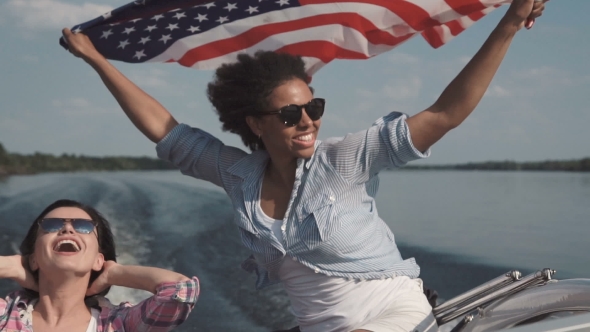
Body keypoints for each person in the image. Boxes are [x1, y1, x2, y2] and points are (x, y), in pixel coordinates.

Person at [61, 0, 545, 330]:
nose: (308, 121)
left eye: (314, 108)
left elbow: (444, 113)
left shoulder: (346, 160)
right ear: (255, 122)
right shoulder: (239, 176)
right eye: (291, 114)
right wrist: (96, 60)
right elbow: (166, 129)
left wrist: (506, 26)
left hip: (394, 314)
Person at [0, 199, 199, 331]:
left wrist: (115, 273)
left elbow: (181, 290)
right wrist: (11, 265)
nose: (68, 229)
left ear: (98, 260)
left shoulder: (118, 324)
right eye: (51, 225)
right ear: (33, 259)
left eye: (83, 227)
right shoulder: (6, 316)